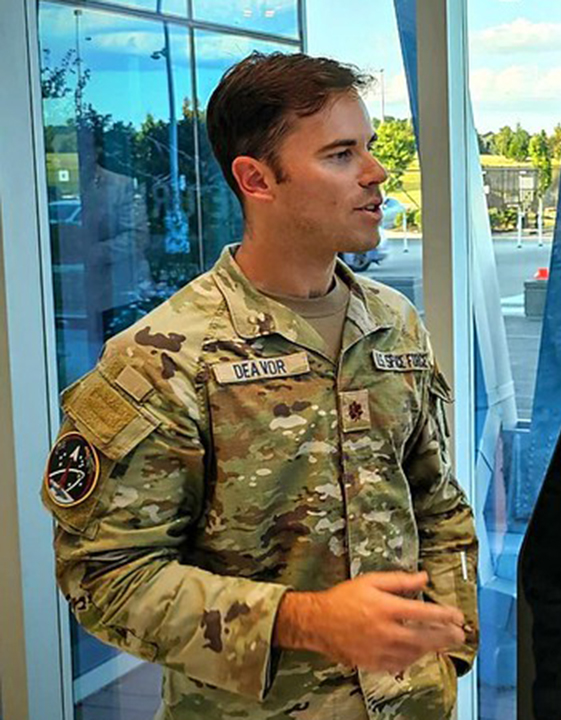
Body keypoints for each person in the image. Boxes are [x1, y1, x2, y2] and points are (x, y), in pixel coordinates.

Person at [41, 52, 478, 719]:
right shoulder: (165, 357)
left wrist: (449, 651)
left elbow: (439, 506)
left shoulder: (394, 324)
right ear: (257, 179)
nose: (375, 173)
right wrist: (304, 621)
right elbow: (106, 576)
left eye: (369, 147)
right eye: (339, 155)